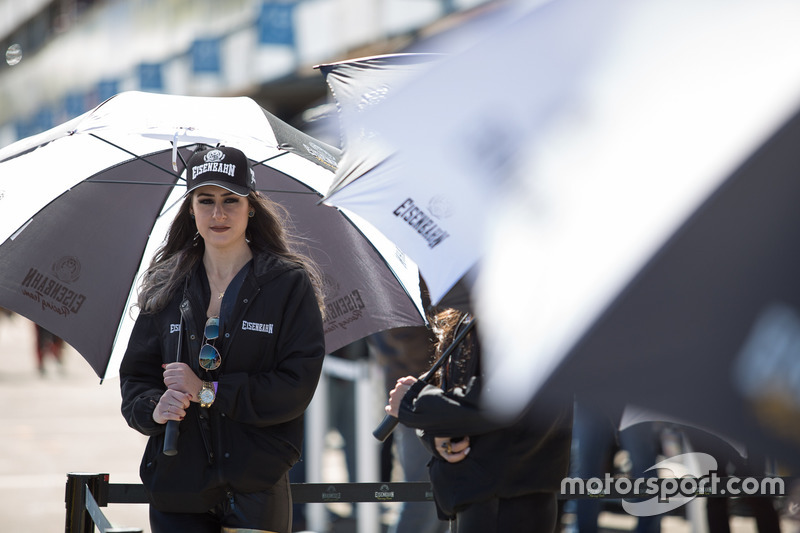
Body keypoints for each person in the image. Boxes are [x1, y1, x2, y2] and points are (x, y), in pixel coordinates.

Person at [119, 145, 326, 533]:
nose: (218, 213)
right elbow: (135, 378)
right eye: (206, 200)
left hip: (257, 485)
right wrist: (154, 408)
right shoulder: (168, 283)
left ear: (251, 207)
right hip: (178, 480)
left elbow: (296, 387)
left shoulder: (286, 283)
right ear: (190, 208)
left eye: (231, 200)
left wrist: (207, 391)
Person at [385, 308, 573, 533]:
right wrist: (438, 437)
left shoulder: (525, 314)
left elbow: (499, 400)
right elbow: (452, 394)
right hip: (475, 492)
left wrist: (414, 402)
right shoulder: (466, 314)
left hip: (510, 496)